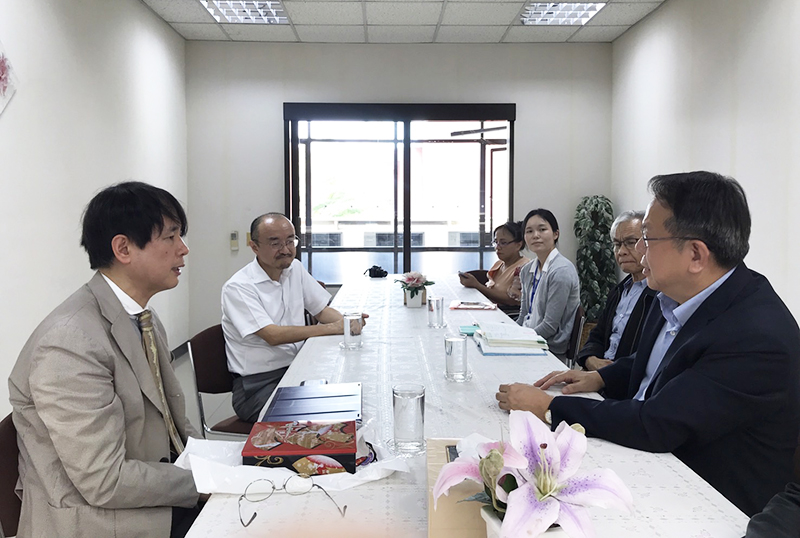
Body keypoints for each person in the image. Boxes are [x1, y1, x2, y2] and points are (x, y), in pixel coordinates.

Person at [496, 171, 800, 517]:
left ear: (696, 255)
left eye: (646, 238)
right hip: (652, 459)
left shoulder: (756, 336)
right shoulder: (673, 294)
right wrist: (601, 378)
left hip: (709, 502)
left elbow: (658, 422)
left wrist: (549, 408)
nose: (637, 251)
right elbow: (662, 362)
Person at [8, 182, 203, 538]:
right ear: (123, 248)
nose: (183, 250)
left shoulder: (142, 318)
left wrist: (217, 463)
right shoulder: (69, 342)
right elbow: (104, 480)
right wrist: (204, 479)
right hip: (101, 521)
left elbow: (175, 425)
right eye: (172, 237)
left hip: (150, 492)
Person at [222, 213, 362, 423]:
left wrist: (349, 322)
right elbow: (273, 335)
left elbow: (321, 310)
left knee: (353, 396)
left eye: (290, 241)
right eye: (275, 243)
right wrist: (335, 328)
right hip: (258, 386)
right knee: (325, 418)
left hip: (298, 369)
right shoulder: (238, 287)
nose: (286, 250)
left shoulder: (293, 268)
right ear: (254, 247)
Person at [577, 210, 657, 371]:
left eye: (631, 242)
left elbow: (647, 357)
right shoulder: (620, 290)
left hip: (623, 383)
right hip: (598, 374)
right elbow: (598, 334)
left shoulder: (660, 295)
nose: (621, 251)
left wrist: (606, 375)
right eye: (617, 244)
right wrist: (590, 359)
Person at [516, 208, 580, 359]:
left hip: (547, 349)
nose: (535, 235)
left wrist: (518, 340)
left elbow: (549, 327)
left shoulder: (561, 271)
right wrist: (510, 334)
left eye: (542, 229)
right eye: (529, 231)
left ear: (555, 234)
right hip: (528, 341)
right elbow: (524, 315)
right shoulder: (527, 270)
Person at [458, 221, 527, 316]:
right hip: (491, 311)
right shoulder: (499, 264)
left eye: (503, 243)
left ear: (518, 245)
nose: (498, 247)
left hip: (507, 315)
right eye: (496, 242)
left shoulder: (523, 267)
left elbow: (512, 300)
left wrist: (477, 285)